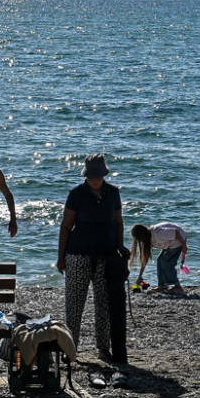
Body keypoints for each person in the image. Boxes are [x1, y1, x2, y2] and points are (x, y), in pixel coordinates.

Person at [55, 153, 129, 363]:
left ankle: (103, 349)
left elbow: (118, 222)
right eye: (91, 176)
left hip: (106, 255)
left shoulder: (113, 193)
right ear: (86, 175)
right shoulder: (76, 193)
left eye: (98, 175)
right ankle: (71, 347)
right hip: (77, 254)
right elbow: (66, 226)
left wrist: (119, 245)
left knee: (104, 304)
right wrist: (61, 257)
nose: (94, 179)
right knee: (74, 305)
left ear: (104, 174)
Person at [130, 222, 188, 295]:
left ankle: (177, 286)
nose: (140, 241)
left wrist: (184, 246)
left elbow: (176, 233)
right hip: (169, 242)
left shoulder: (158, 232)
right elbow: (145, 258)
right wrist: (140, 276)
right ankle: (162, 286)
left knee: (166, 262)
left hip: (179, 240)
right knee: (160, 260)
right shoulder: (148, 240)